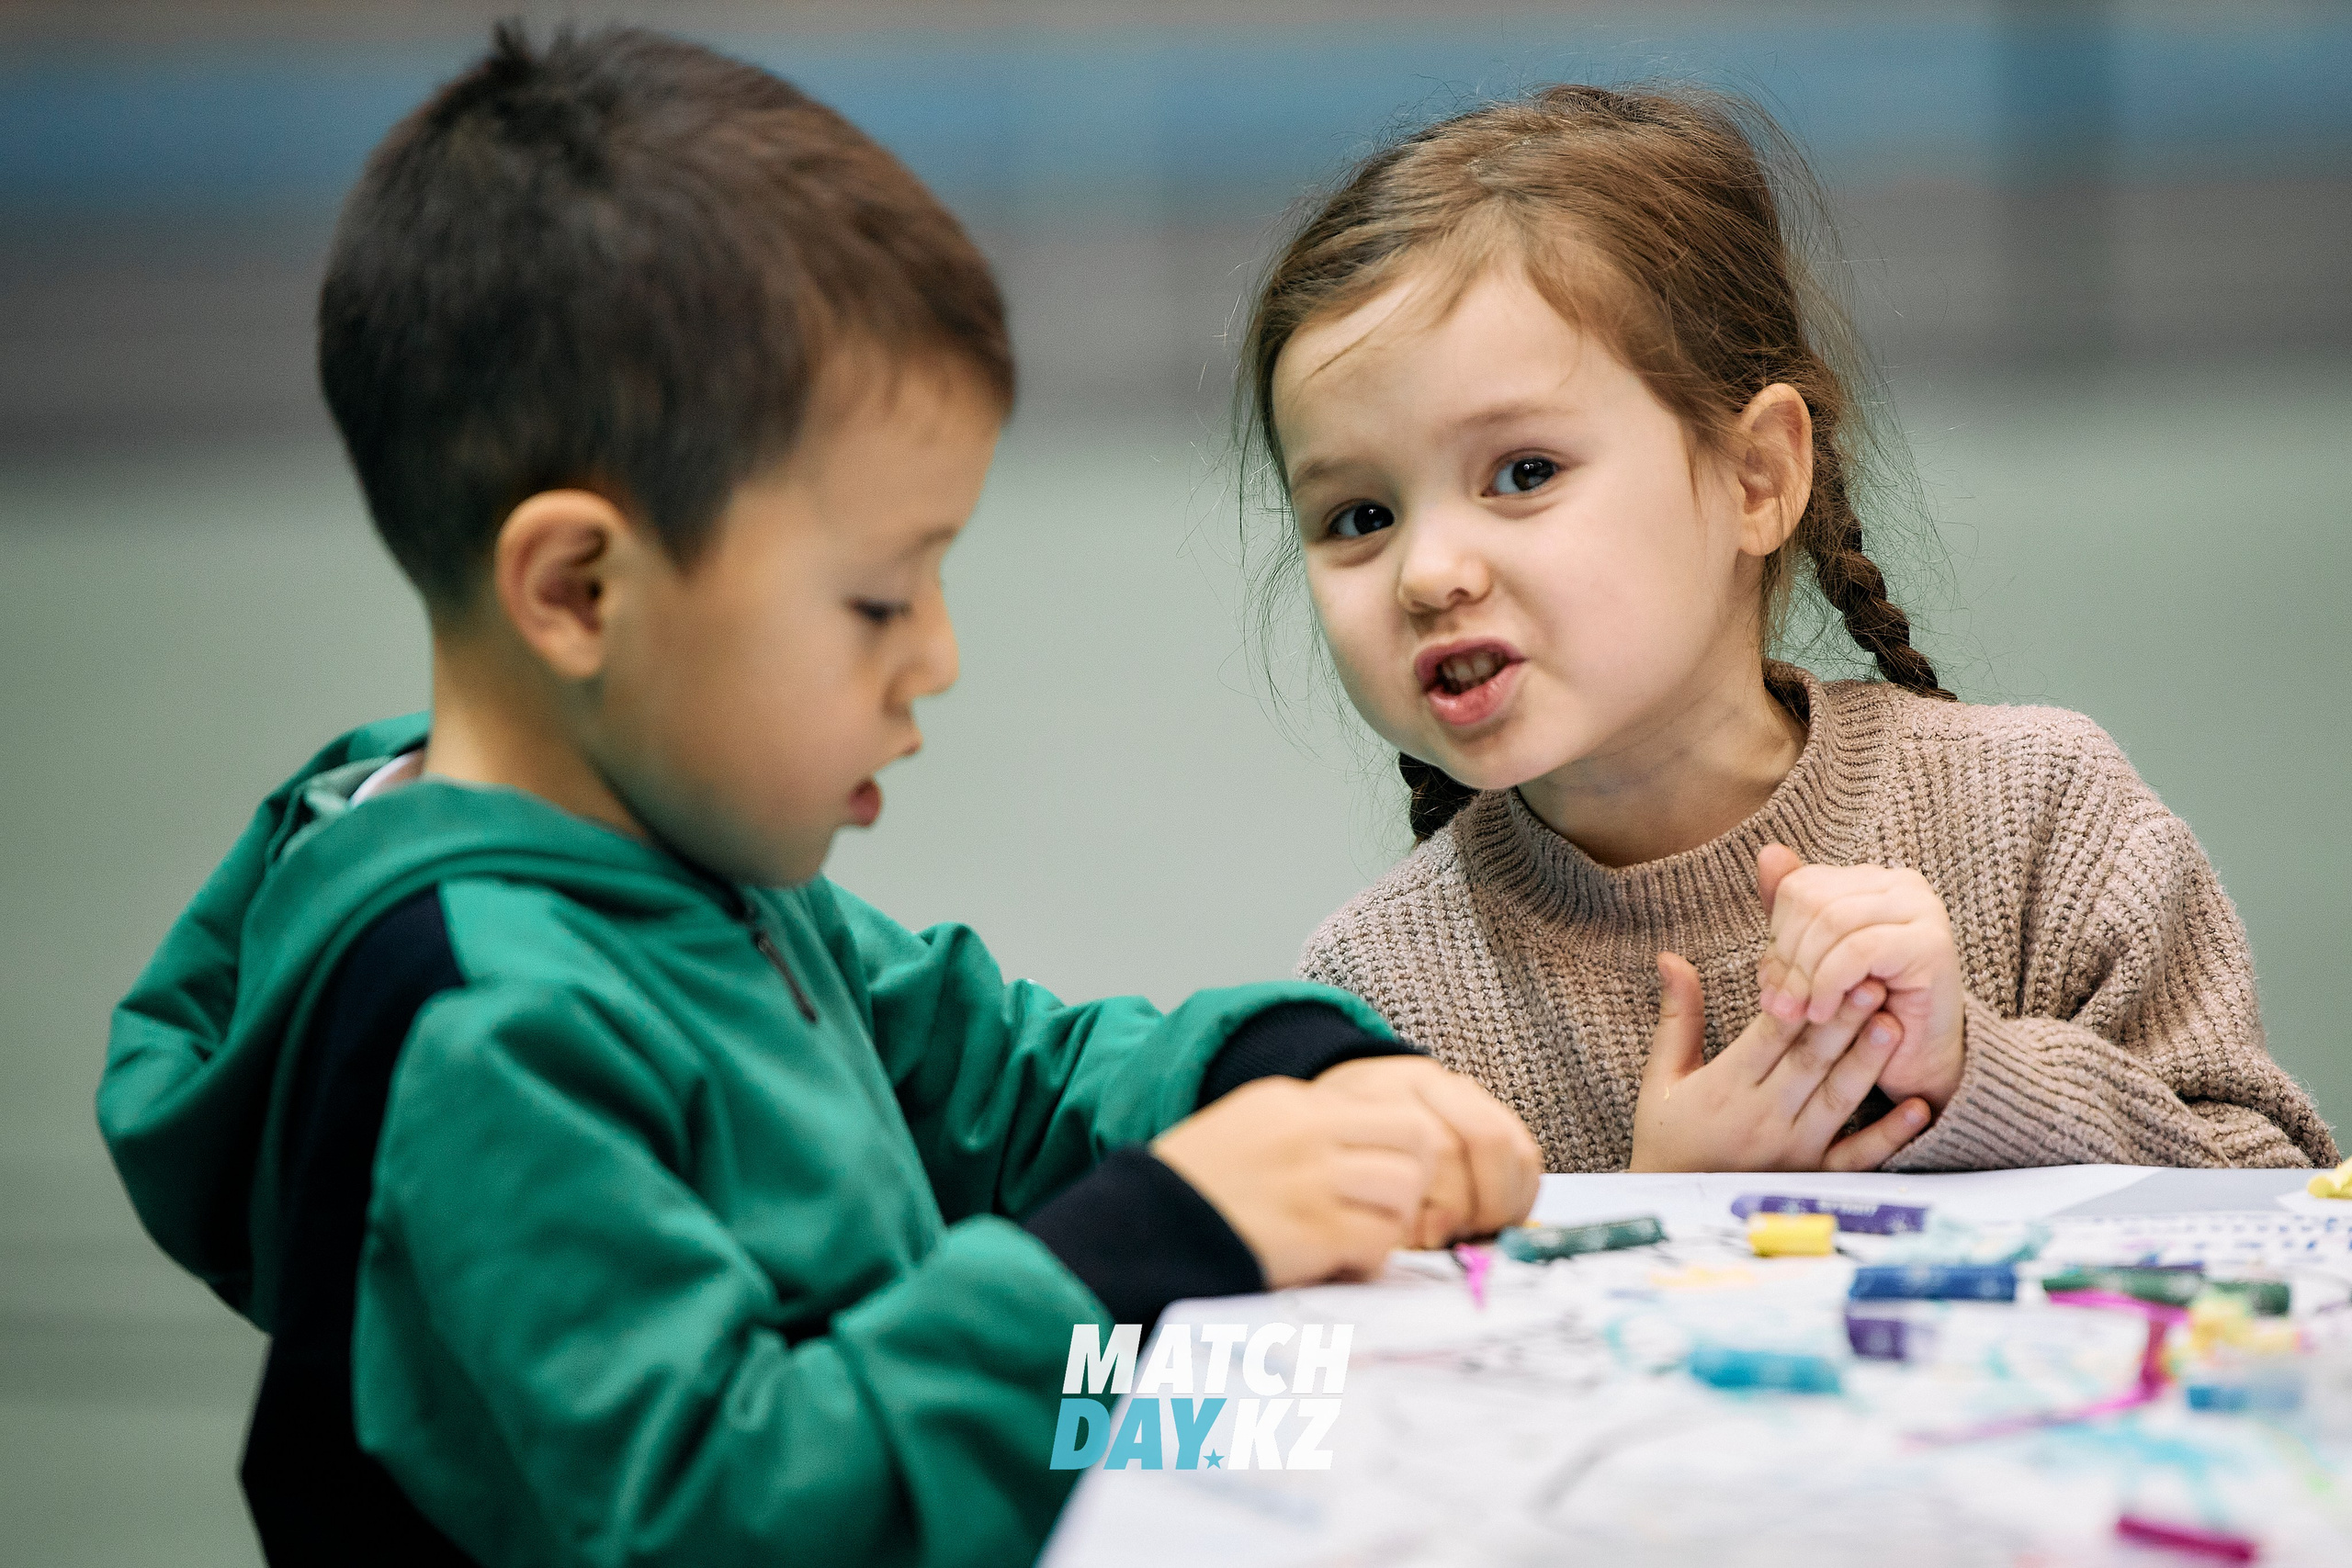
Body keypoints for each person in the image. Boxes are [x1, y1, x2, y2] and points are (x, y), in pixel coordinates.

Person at [96, 28, 1542, 1568]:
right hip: (852, 1487)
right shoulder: (476, 1024)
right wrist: (1169, 1229)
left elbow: (988, 1072)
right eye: (875, 599)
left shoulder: (670, 846)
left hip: (935, 1428)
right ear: (580, 588)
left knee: (1388, 1428)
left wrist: (1286, 1070)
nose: (937, 658)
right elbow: (733, 1508)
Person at [1241, 84, 2337, 1177]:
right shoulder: (1376, 996)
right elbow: (1400, 1341)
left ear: (1755, 478)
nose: (1428, 573)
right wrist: (1661, 1210)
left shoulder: (2042, 815)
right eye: (1359, 518)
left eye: (1523, 473)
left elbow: (2282, 1203)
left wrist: (1968, 1070)